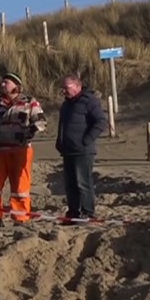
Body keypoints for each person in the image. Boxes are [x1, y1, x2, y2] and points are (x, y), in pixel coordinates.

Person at [0, 72, 47, 227]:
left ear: (16, 86)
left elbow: (41, 123)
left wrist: (27, 134)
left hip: (20, 149)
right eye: (2, 83)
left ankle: (21, 218)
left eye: (6, 82)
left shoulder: (29, 102)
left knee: (20, 187)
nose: (3, 85)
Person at [54, 73, 107, 224]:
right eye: (62, 88)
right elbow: (63, 125)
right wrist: (60, 141)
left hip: (83, 150)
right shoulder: (66, 105)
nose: (64, 91)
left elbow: (101, 122)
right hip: (67, 150)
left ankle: (88, 213)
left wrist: (86, 140)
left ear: (77, 86)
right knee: (70, 184)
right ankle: (73, 212)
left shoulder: (89, 101)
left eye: (67, 88)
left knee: (83, 182)